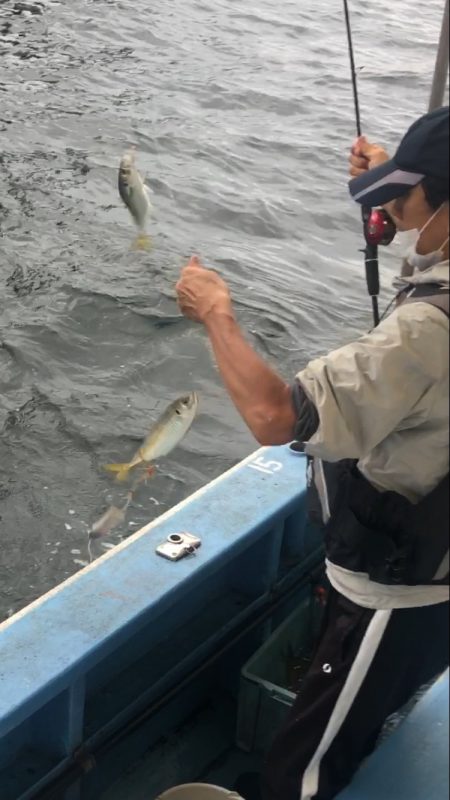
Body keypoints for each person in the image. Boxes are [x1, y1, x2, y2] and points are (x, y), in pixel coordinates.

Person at [175, 106, 449, 800]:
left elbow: (276, 416)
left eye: (410, 195)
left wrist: (217, 314)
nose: (399, 212)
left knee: (307, 763)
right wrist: (403, 180)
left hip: (398, 591)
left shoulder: (425, 335)